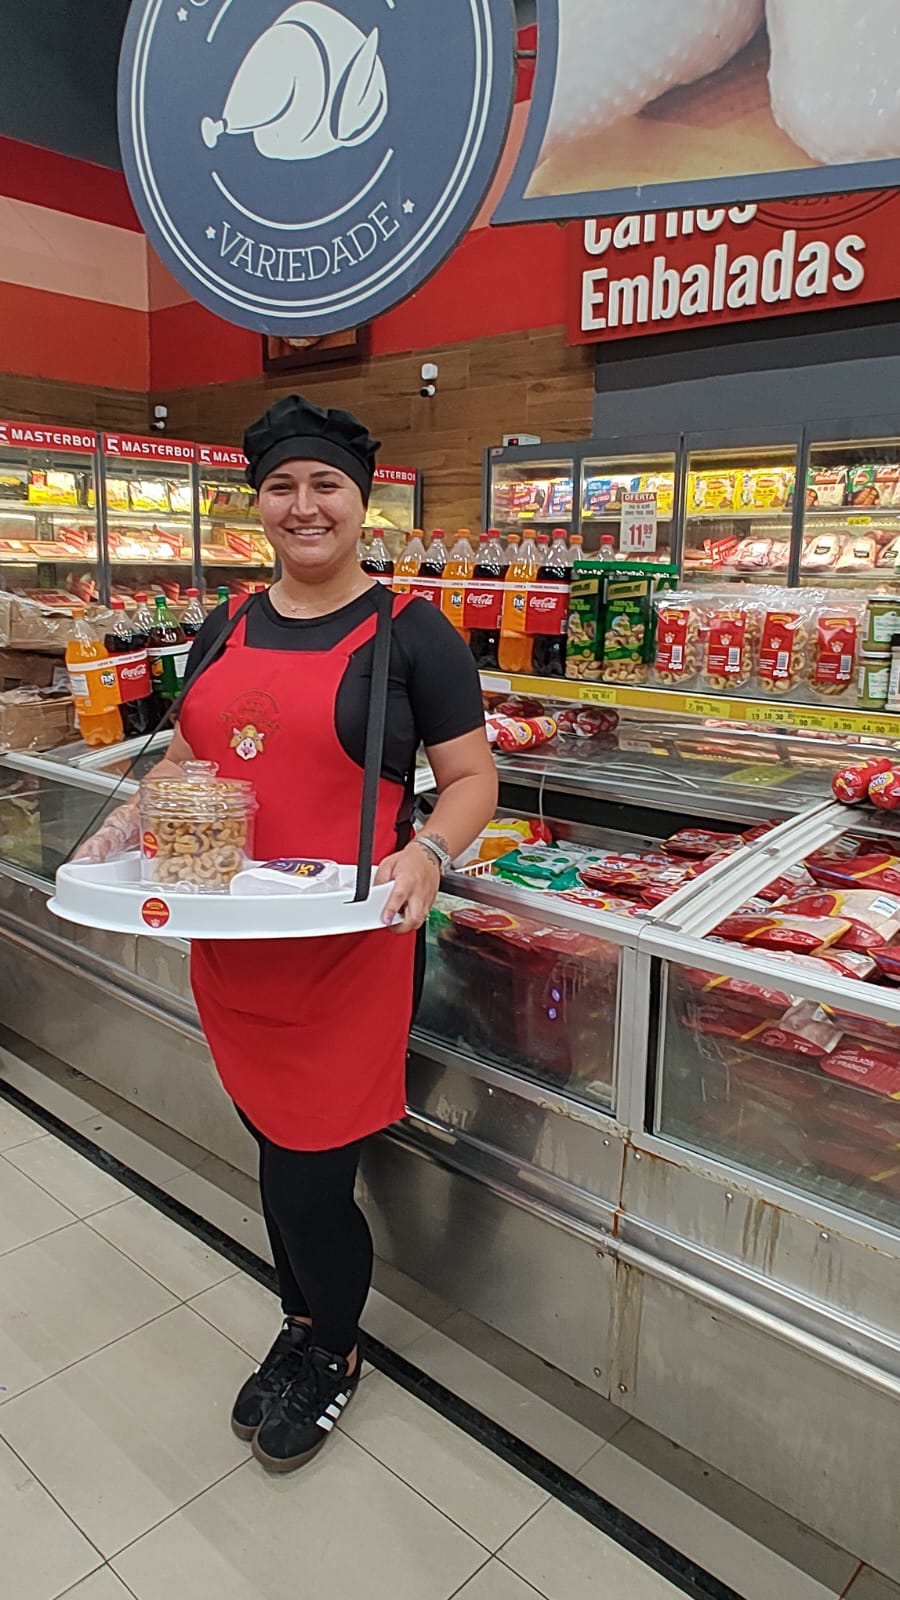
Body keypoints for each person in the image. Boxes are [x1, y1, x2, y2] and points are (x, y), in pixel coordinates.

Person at [78, 395, 497, 1473]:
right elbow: (186, 760)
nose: (304, 506)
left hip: (348, 953)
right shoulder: (224, 623)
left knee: (315, 1178)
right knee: (273, 1154)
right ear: (257, 504)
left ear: (364, 503)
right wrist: (125, 822)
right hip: (235, 944)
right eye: (282, 486)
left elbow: (469, 778)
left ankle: (338, 1350)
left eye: (327, 487)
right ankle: (301, 1321)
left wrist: (429, 852)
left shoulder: (413, 632)